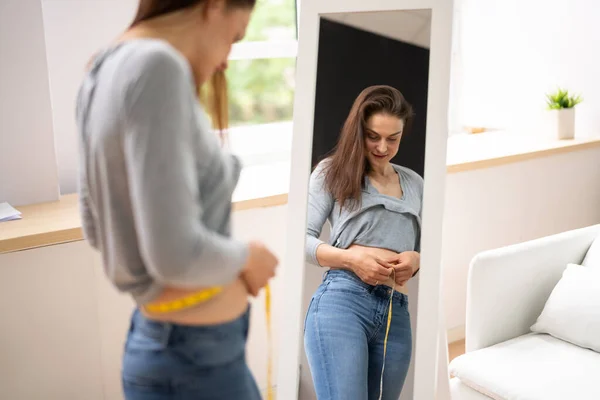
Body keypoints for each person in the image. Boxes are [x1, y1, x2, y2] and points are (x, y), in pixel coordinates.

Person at [75, 1, 279, 399]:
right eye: (234, 38)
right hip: (195, 365)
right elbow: (174, 255)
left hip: (167, 350)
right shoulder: (157, 66)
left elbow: (96, 228)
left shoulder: (100, 69)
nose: (226, 61)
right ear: (215, 6)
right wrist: (248, 258)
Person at [304, 85, 423, 400]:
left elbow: (431, 249)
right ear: (358, 131)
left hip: (396, 313)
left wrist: (417, 259)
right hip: (344, 302)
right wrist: (351, 260)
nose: (382, 147)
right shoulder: (332, 172)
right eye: (373, 136)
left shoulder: (415, 184)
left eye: (392, 138)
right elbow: (300, 240)